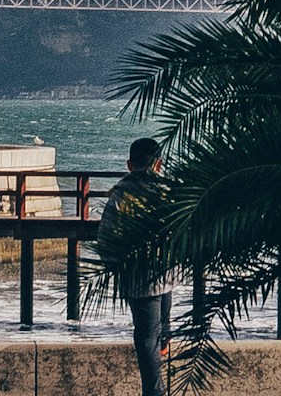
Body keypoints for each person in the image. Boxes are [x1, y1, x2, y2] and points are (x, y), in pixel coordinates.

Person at [97, 138, 170, 396]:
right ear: (159, 164)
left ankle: (154, 392)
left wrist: (113, 267)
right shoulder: (167, 191)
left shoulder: (121, 193)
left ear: (129, 165)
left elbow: (105, 235)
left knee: (146, 336)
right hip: (167, 271)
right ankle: (164, 346)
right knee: (158, 329)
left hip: (138, 275)